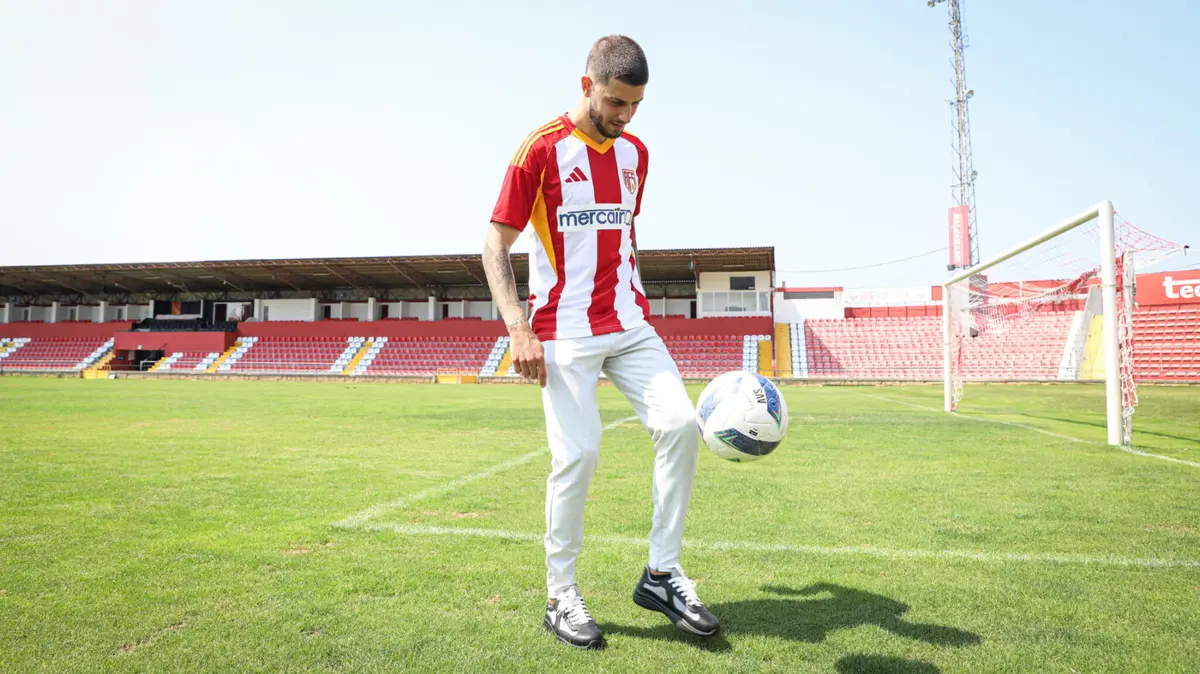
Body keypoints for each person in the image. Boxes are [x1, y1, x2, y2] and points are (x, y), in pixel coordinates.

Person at [481, 35, 720, 650]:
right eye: (616, 102)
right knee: (579, 456)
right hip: (563, 331)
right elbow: (495, 246)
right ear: (586, 85)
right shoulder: (538, 151)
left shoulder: (636, 153)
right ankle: (560, 594)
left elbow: (619, 240)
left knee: (679, 424)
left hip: (630, 323)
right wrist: (518, 327)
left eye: (636, 105)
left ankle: (662, 574)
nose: (626, 116)